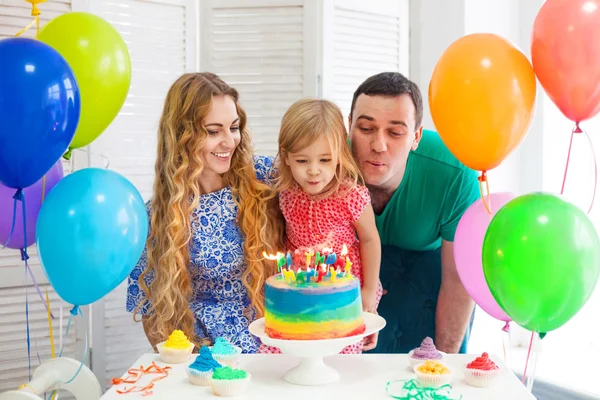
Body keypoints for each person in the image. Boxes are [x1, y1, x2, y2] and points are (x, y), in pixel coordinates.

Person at [126, 72, 284, 354]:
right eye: (213, 131)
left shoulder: (264, 178)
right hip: (207, 356)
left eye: (233, 127)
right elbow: (153, 315)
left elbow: (324, 176)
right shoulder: (158, 216)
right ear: (181, 136)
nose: (229, 141)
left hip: (275, 346)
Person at [348, 72, 479, 354]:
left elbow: (458, 279)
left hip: (429, 263)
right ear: (349, 127)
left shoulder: (455, 172)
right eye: (366, 129)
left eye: (395, 132)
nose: (378, 145)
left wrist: (442, 365)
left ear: (416, 137)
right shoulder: (327, 160)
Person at [259, 98, 383, 354]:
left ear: (340, 155)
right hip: (299, 289)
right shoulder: (286, 191)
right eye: (303, 161)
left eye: (325, 160)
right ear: (286, 157)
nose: (313, 171)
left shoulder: (351, 195)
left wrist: (369, 289)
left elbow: (370, 240)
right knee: (282, 354)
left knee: (342, 354)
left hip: (342, 292)